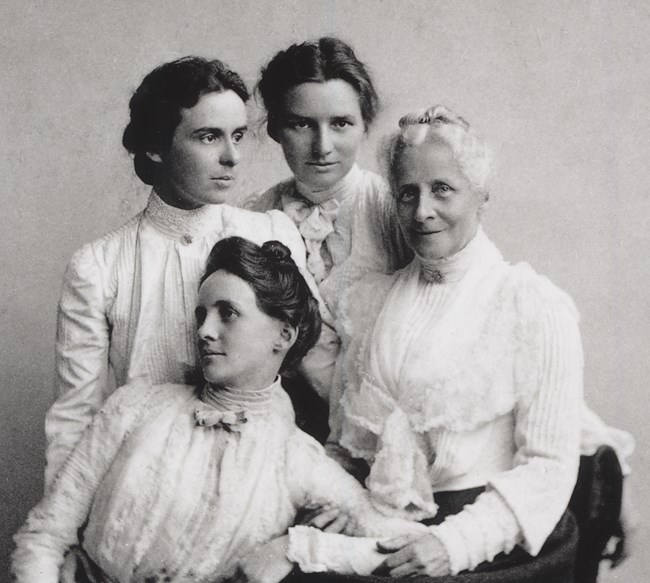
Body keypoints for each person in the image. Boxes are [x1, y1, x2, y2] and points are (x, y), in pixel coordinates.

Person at [321, 106, 628, 581]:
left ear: (481, 194)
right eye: (407, 194)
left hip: (486, 546)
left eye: (442, 189)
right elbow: (346, 444)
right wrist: (340, 501)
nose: (422, 211)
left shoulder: (531, 304)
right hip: (384, 533)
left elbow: (547, 468)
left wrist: (453, 544)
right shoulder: (368, 303)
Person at [12, 237, 427, 583]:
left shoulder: (297, 460)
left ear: (283, 334)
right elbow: (45, 535)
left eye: (227, 313)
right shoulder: (135, 406)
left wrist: (305, 547)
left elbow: (410, 544)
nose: (205, 331)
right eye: (201, 314)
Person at [44, 56, 337, 490]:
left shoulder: (270, 232)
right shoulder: (100, 266)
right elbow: (75, 416)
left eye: (238, 135)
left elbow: (310, 361)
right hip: (147, 482)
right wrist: (64, 531)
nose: (232, 156)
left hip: (255, 476)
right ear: (156, 146)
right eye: (208, 137)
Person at [246, 37, 411, 322]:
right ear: (275, 130)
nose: (322, 146)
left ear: (364, 125)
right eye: (301, 124)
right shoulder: (257, 214)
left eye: (340, 123)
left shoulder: (393, 208)